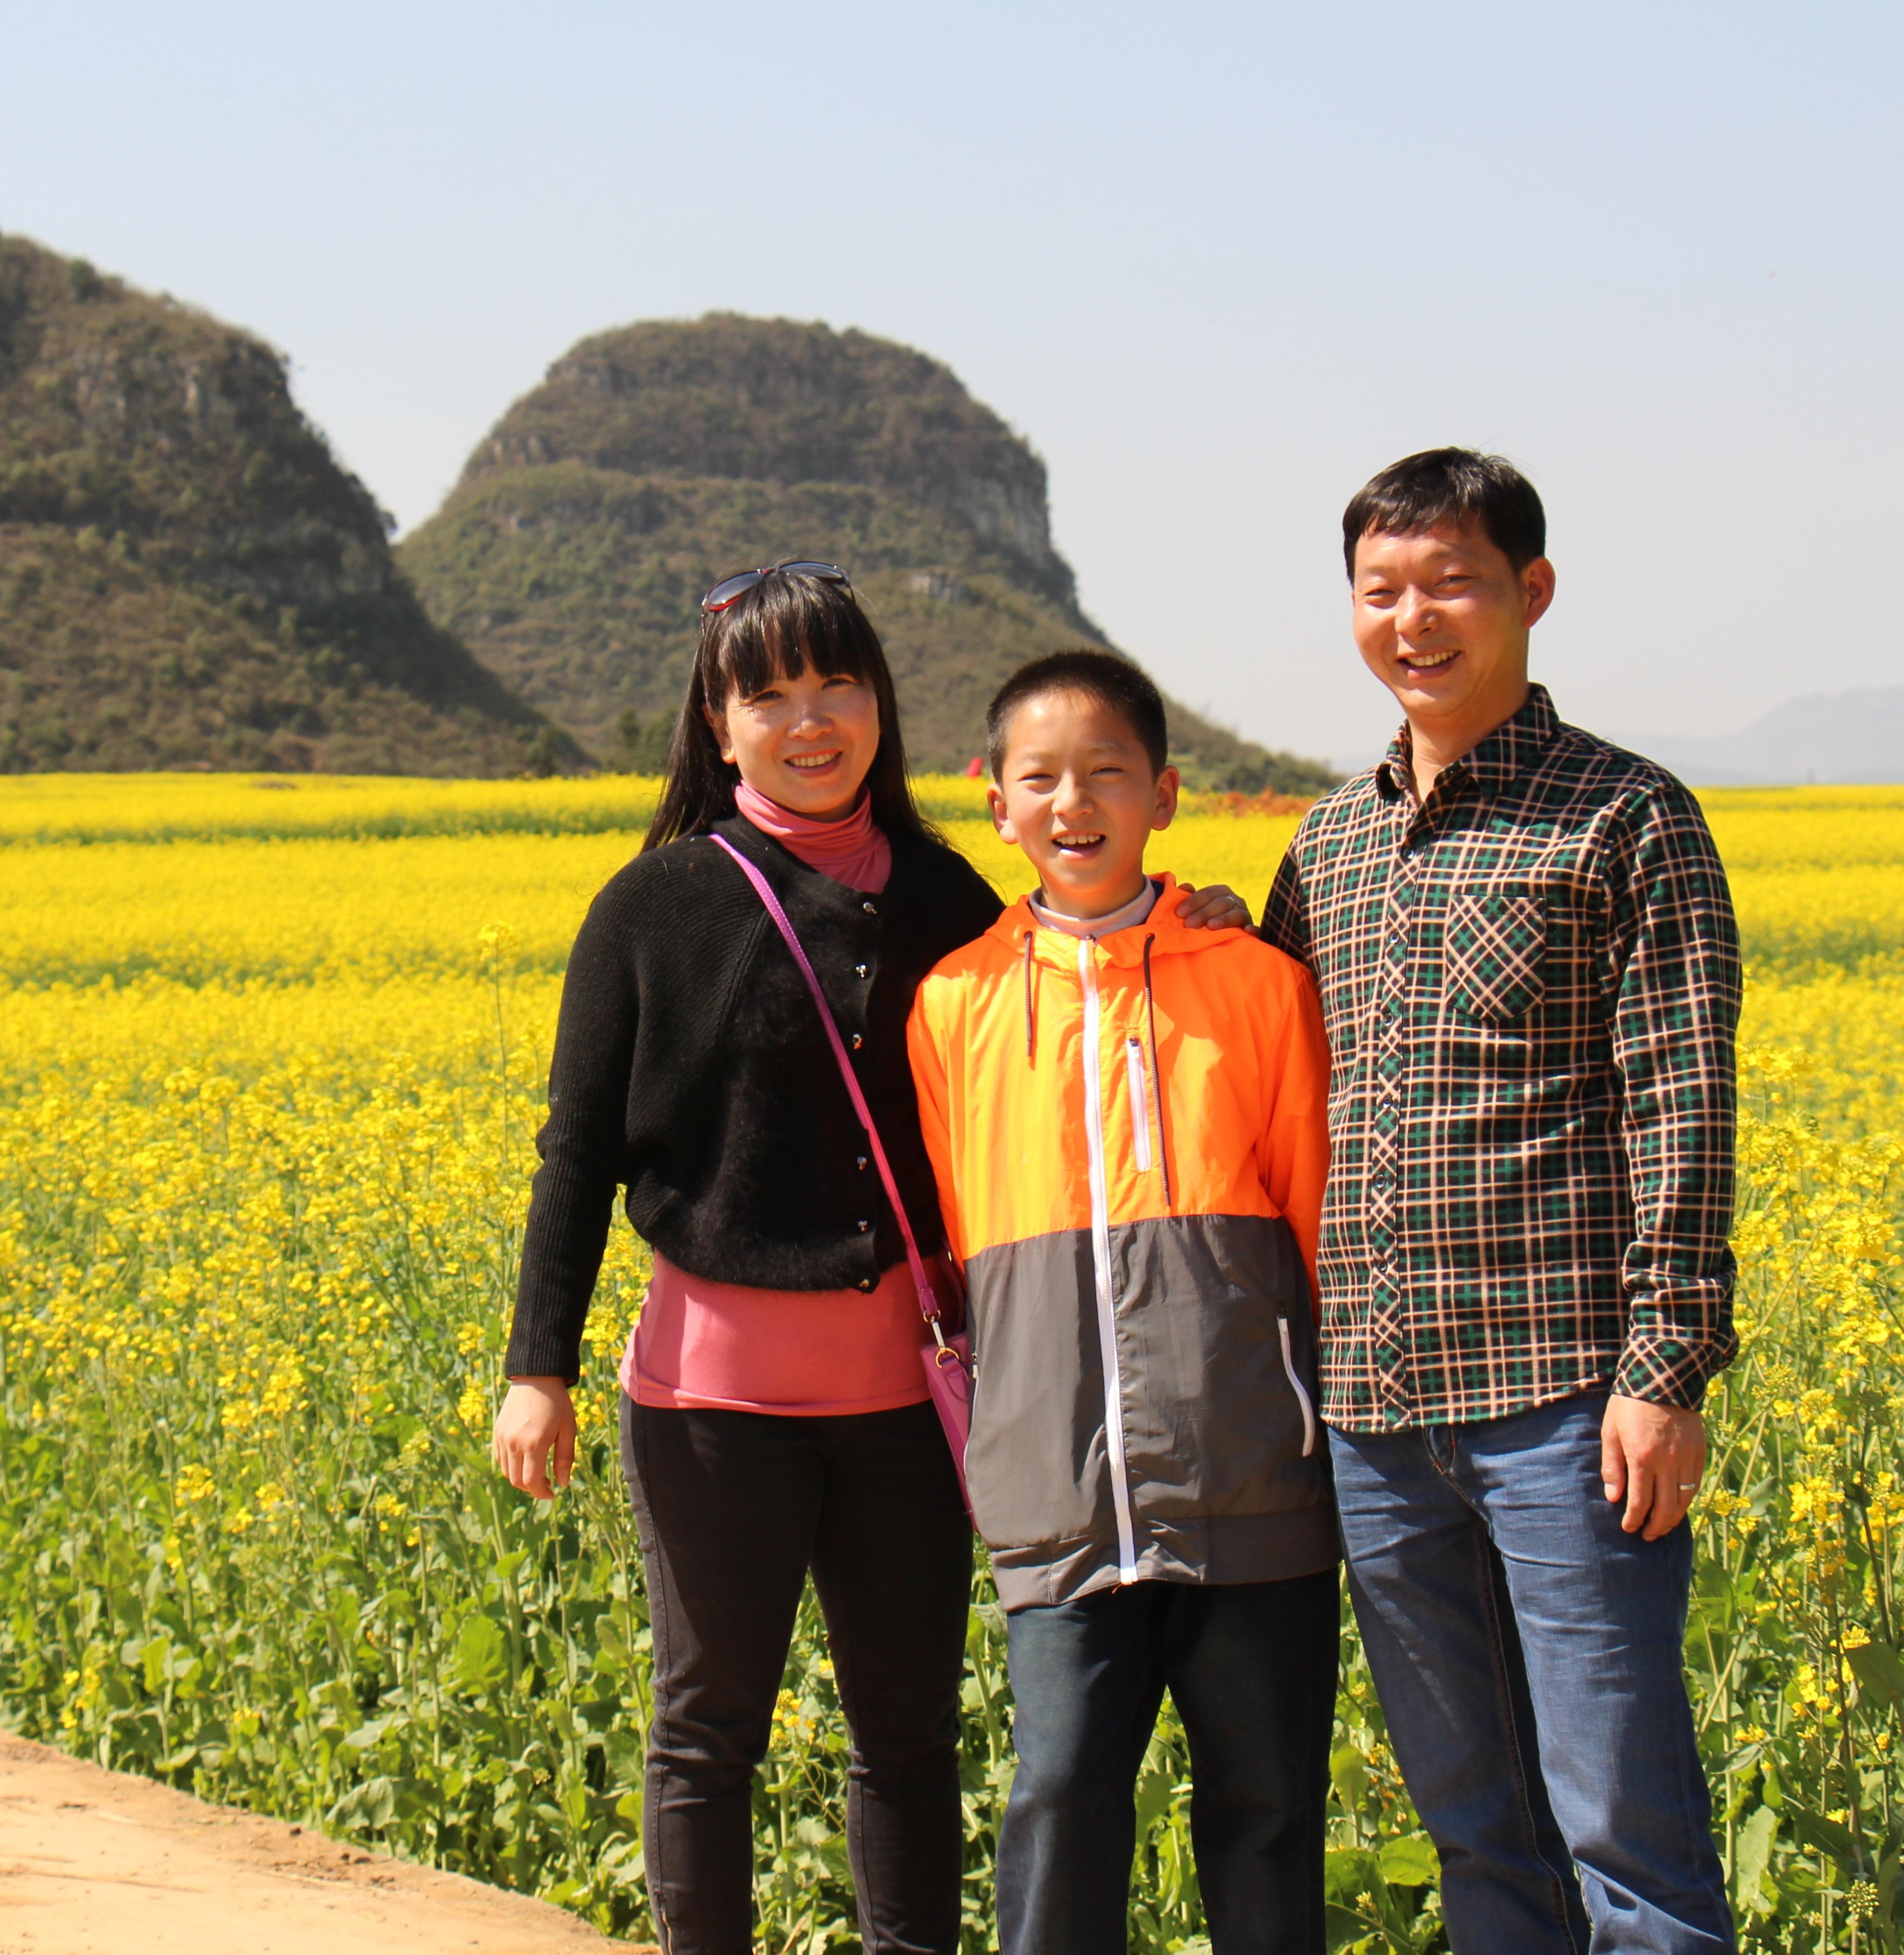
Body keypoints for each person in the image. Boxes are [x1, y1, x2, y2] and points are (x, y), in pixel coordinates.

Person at [489, 562, 1252, 1954]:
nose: (810, 720)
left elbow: (1084, 976)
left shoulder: (951, 898)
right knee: (708, 1731)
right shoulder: (652, 908)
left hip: (907, 1403)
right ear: (718, 726)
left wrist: (1202, 929)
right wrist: (538, 1367)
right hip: (711, 1403)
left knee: (906, 1735)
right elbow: (576, 1150)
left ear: (881, 704)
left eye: (836, 684)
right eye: (770, 695)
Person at [1259, 449, 1741, 1953]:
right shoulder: (1326, 846)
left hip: (1564, 1409)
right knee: (1478, 1834)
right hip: (1376, 1418)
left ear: (1531, 591)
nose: (1414, 619)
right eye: (1381, 589)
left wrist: (1664, 1374)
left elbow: (1682, 1104)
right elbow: (1275, 1078)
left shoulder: (1626, 817)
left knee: (1626, 1838)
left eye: (1452, 582)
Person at [908, 652, 1337, 1955]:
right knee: (1059, 1800)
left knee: (1268, 1815)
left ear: (1164, 793)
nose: (1074, 801)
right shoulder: (955, 1004)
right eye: (1040, 777)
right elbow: (962, 1245)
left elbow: (1317, 1218)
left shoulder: (1256, 983)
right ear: (996, 805)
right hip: (1055, 1493)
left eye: (1107, 772)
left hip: (1254, 1482)